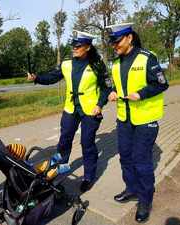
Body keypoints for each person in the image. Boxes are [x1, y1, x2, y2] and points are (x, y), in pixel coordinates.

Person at [27, 30, 112, 192]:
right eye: (73, 45)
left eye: (77, 45)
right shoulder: (67, 64)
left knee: (87, 143)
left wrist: (100, 105)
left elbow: (107, 88)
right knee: (64, 140)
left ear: (87, 47)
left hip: (90, 111)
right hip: (70, 108)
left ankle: (88, 177)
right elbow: (52, 77)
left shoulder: (97, 64)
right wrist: (36, 78)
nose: (74, 48)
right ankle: (59, 170)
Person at [106, 23, 169, 223]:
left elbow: (161, 83)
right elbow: (113, 86)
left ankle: (145, 200)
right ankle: (131, 189)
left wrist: (141, 94)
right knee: (125, 157)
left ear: (129, 38)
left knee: (141, 161)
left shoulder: (147, 58)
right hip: (124, 119)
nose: (114, 46)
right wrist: (112, 92)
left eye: (117, 41)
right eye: (112, 43)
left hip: (145, 119)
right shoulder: (115, 64)